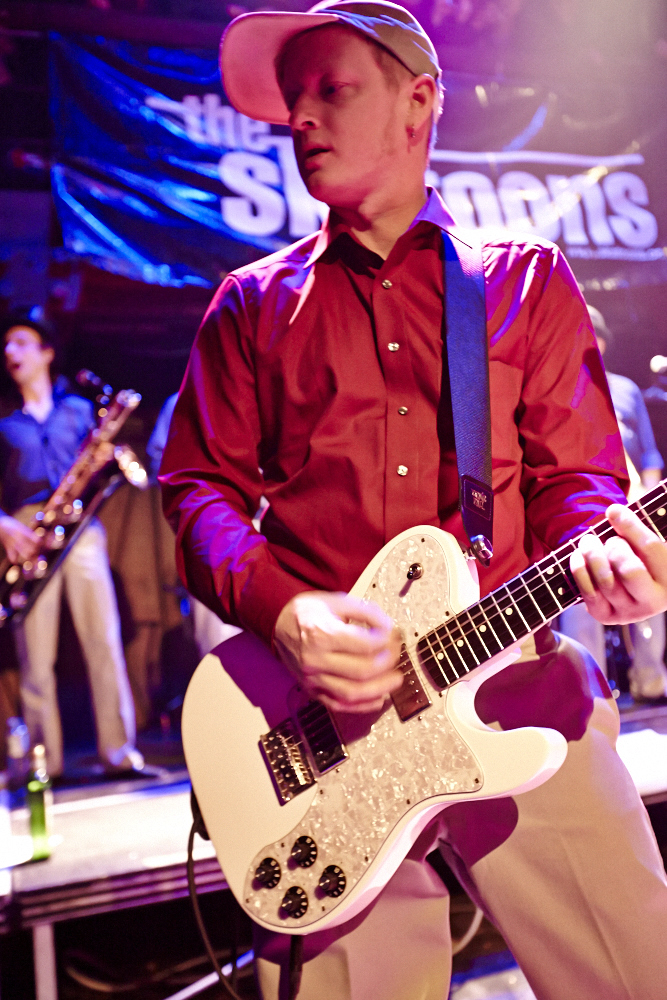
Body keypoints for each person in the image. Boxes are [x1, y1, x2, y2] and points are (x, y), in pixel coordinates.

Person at [160, 4, 667, 998]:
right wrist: (286, 613)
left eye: (332, 88)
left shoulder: (524, 280)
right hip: (318, 732)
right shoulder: (250, 304)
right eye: (293, 99)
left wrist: (609, 558)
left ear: (418, 102)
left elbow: (576, 485)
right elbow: (196, 488)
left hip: (519, 696)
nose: (302, 117)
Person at [0, 310, 143, 777]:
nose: (10, 351)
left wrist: (102, 459)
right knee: (34, 654)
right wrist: (4, 525)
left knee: (103, 639)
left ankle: (119, 753)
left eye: (22, 342)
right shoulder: (3, 422)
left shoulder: (79, 410)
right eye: (7, 344)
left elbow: (96, 463)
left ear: (46, 353)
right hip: (27, 531)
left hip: (81, 526)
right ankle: (45, 763)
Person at [559, 305, 667, 700]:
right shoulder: (555, 389)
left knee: (649, 588)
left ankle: (652, 684)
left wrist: (650, 507)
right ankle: (588, 694)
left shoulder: (625, 389)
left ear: (601, 342)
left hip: (631, 507)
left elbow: (650, 454)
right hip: (578, 515)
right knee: (579, 598)